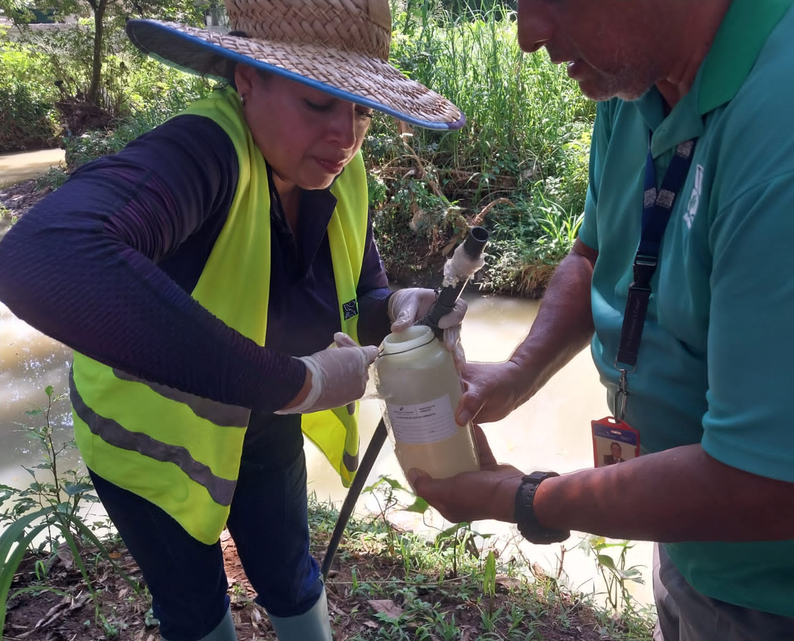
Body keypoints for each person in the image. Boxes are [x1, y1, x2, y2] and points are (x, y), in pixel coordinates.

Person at [0, 0, 468, 640]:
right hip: (148, 444)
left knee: (290, 573)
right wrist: (294, 384)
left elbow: (358, 294)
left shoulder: (339, 170)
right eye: (318, 102)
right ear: (247, 79)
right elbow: (42, 255)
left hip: (263, 421)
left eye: (361, 110)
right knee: (193, 605)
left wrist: (396, 310)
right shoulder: (203, 152)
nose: (346, 135)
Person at [409, 0, 794, 638]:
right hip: (685, 537)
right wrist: (516, 372)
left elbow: (776, 487)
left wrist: (527, 498)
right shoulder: (635, 80)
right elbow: (595, 254)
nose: (527, 35)